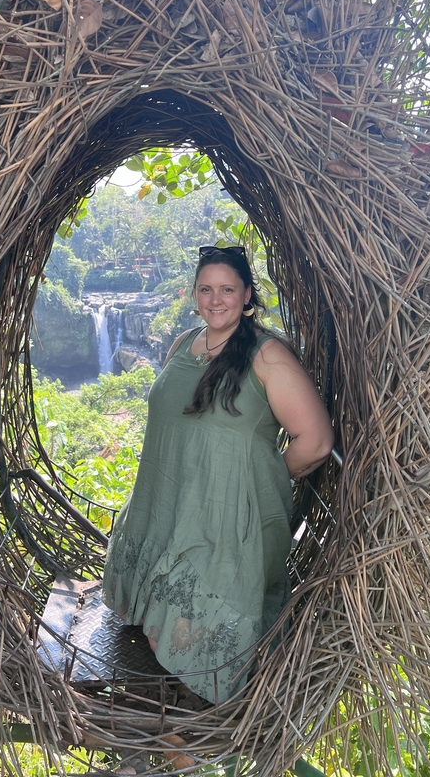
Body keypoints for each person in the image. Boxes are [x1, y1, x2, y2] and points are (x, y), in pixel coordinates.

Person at [102, 245, 334, 704]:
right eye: (206, 289)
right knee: (151, 631)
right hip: (168, 504)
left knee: (187, 644)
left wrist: (256, 481)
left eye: (227, 289)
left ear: (247, 295)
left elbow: (317, 441)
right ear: (194, 294)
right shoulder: (183, 343)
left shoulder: (268, 358)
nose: (216, 299)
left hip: (225, 522)